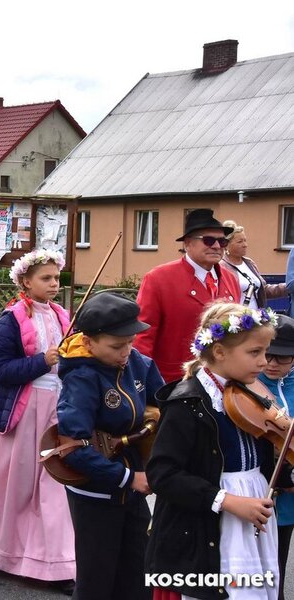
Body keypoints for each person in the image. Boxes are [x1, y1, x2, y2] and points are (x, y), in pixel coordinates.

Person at [146, 303, 288, 600]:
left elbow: (265, 455)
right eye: (255, 352)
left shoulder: (249, 392)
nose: (264, 362)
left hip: (254, 507)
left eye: (265, 352)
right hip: (216, 517)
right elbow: (162, 474)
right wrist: (227, 501)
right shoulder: (188, 403)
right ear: (220, 352)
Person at [0, 249, 75, 593]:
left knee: (55, 485)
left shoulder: (63, 316)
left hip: (58, 409)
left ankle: (56, 563)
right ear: (25, 281)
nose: (54, 284)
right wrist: (42, 361)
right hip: (25, 413)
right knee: (19, 488)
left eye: (56, 278)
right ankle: (8, 552)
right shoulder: (10, 320)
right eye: (46, 278)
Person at [56, 292, 164, 600]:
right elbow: (73, 449)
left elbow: (166, 404)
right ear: (88, 342)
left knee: (139, 576)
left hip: (133, 487)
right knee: (97, 581)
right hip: (95, 492)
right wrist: (129, 478)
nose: (126, 352)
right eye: (117, 346)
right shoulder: (81, 378)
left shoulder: (138, 363)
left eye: (130, 342)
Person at [136, 208, 240, 382]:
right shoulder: (159, 278)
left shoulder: (230, 278)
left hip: (221, 380)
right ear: (188, 243)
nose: (216, 246)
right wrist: (140, 379)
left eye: (222, 241)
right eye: (208, 240)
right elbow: (143, 334)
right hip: (173, 381)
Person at [257, 314, 294, 600]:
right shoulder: (249, 384)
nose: (271, 363)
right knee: (267, 569)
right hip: (264, 490)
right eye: (267, 354)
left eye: (282, 358)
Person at [222, 220, 286, 310]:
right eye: (240, 242)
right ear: (226, 245)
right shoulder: (221, 266)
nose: (245, 245)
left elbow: (264, 291)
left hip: (256, 315)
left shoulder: (249, 263)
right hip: (235, 316)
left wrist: (287, 287)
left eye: (245, 241)